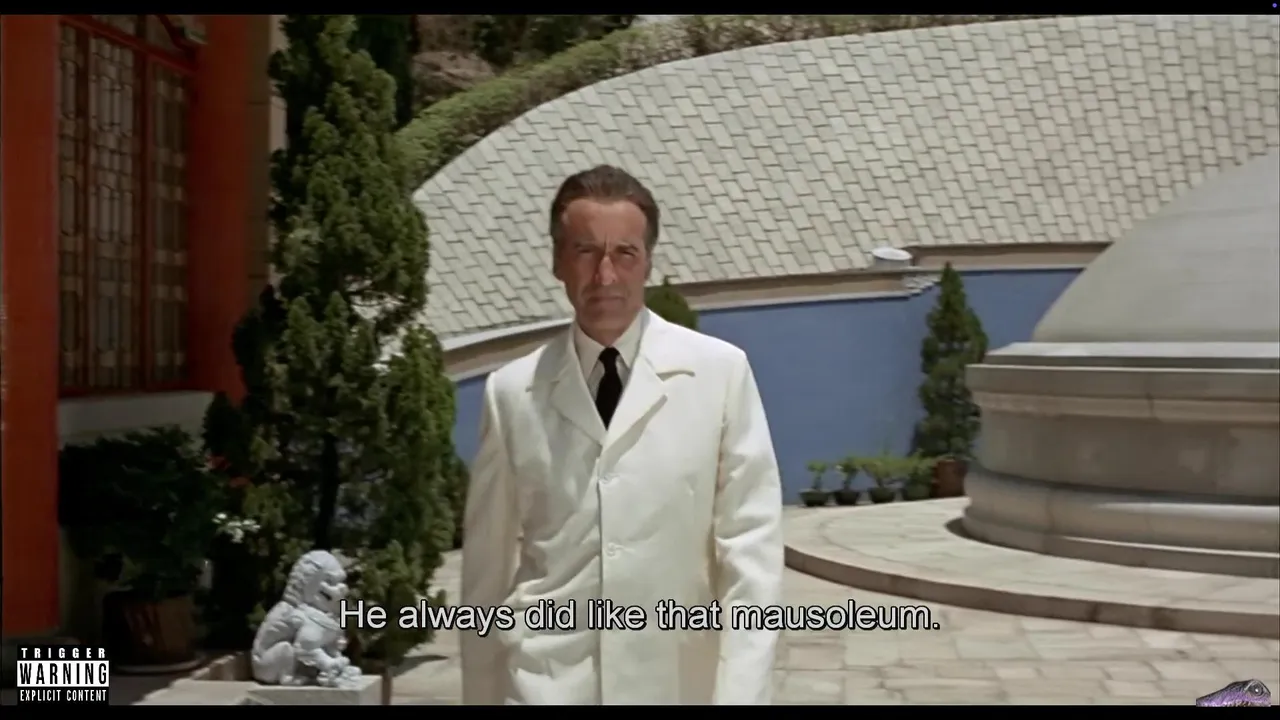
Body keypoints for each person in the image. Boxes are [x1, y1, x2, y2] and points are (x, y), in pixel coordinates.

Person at [460, 165, 784, 705]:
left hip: (674, 685)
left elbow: (752, 554)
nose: (605, 275)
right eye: (586, 252)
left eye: (625, 254)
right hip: (545, 685)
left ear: (648, 262)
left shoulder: (720, 374)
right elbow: (484, 575)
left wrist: (742, 694)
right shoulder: (511, 393)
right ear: (558, 261)